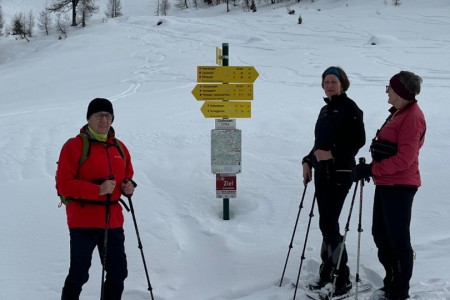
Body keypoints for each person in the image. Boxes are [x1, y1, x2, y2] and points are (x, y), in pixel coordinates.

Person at [352, 71, 426, 300]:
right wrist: (374, 168)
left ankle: (399, 291)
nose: (387, 91)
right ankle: (391, 281)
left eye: (390, 87)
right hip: (386, 182)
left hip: (401, 185)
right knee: (381, 235)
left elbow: (404, 158)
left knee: (398, 239)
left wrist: (372, 169)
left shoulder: (412, 117)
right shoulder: (399, 113)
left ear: (401, 91)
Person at [56, 98, 136, 300]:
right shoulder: (74, 146)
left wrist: (128, 186)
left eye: (108, 116)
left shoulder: (120, 147)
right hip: (83, 221)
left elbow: (127, 175)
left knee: (118, 273)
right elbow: (63, 184)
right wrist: (96, 190)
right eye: (99, 115)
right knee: (79, 274)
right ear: (89, 118)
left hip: (113, 221)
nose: (104, 120)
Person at [302, 66, 366, 295]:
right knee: (325, 224)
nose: (330, 85)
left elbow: (359, 139)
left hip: (340, 172)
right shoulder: (325, 110)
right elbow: (320, 142)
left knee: (329, 223)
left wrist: (333, 154)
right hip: (322, 173)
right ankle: (328, 271)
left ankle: (342, 277)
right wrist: (308, 160)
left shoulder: (350, 108)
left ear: (342, 84)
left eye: (334, 82)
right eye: (326, 82)